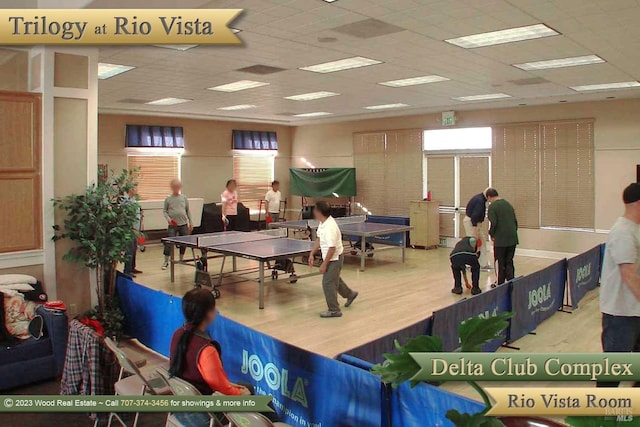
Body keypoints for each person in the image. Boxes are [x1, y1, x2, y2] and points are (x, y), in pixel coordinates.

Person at [168, 288, 251, 427]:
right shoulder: (206, 350)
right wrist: (243, 395)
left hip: (181, 404)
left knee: (245, 387)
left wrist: (230, 386)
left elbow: (218, 383)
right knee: (253, 395)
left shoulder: (178, 334)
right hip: (204, 417)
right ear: (208, 313)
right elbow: (222, 390)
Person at [598, 183, 640, 388]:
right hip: (621, 315)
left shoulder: (636, 229)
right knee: (612, 372)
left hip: (635, 312)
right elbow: (629, 275)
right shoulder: (623, 232)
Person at [309, 201, 358, 318]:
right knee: (334, 279)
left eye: (315, 209)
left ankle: (334, 310)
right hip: (330, 257)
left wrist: (324, 265)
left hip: (335, 258)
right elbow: (319, 239)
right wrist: (312, 254)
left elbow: (332, 248)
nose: (313, 212)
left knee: (328, 283)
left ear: (319, 212)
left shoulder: (330, 227)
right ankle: (350, 294)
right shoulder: (322, 223)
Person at [486, 188, 518, 286]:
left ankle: (499, 283)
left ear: (489, 197)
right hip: (512, 238)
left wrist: (491, 234)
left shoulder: (493, 207)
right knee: (509, 261)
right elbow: (515, 222)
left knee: (499, 262)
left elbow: (494, 223)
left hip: (501, 239)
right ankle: (511, 281)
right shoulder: (508, 205)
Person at [162, 179, 193, 270]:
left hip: (183, 224)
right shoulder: (168, 199)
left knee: (184, 243)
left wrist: (190, 222)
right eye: (174, 186)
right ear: (172, 187)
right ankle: (166, 261)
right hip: (173, 226)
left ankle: (181, 259)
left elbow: (188, 211)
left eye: (178, 186)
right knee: (169, 243)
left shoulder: (184, 198)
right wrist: (168, 219)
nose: (176, 188)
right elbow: (164, 211)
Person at [464, 188, 491, 268]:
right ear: (488, 196)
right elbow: (475, 216)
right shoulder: (480, 201)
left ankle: (482, 264)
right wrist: (475, 231)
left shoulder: (480, 199)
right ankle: (471, 264)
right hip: (472, 223)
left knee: (480, 243)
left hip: (473, 223)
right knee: (472, 243)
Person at [123, 187, 143, 277]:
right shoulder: (125, 201)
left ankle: (132, 267)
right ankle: (127, 270)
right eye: (134, 189)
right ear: (130, 190)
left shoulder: (134, 200)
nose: (136, 190)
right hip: (129, 229)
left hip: (135, 229)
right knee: (129, 250)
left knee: (134, 248)